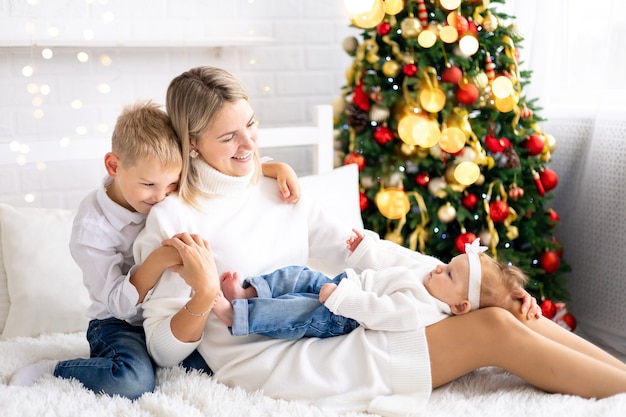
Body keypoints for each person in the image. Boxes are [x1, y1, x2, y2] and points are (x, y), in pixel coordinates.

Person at [133, 66, 626, 416]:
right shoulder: (174, 219)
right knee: (491, 331)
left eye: (252, 126)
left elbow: (362, 247)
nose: (250, 146)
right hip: (276, 357)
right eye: (228, 138)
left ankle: (620, 376)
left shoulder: (277, 188)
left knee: (493, 310)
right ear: (192, 142)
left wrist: (471, 284)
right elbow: (162, 350)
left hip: (333, 322)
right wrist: (201, 297)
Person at [9, 100, 301, 400]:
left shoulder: (162, 185)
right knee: (131, 382)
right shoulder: (91, 230)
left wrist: (273, 167)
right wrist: (158, 260)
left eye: (172, 185)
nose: (161, 196)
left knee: (227, 361)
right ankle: (56, 369)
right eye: (148, 184)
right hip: (120, 324)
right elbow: (118, 305)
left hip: (167, 317)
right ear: (114, 165)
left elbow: (216, 172)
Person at [213, 231, 528, 340]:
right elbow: (393, 261)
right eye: (447, 263)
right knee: (299, 275)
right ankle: (250, 292)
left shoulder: (423, 308)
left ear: (460, 306)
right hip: (344, 284)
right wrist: (365, 250)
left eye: (448, 274)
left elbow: (382, 311)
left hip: (343, 315)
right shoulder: (431, 275)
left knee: (296, 310)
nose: (439, 267)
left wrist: (341, 301)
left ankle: (238, 316)